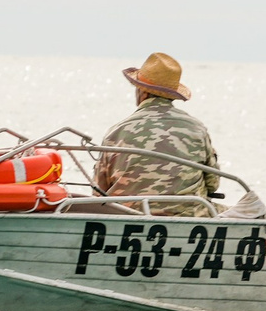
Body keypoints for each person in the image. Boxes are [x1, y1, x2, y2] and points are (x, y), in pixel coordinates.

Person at [94, 52, 221, 215]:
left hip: (128, 219)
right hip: (189, 218)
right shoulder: (197, 129)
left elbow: (99, 192)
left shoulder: (116, 132)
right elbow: (213, 183)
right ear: (172, 95)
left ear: (142, 91)